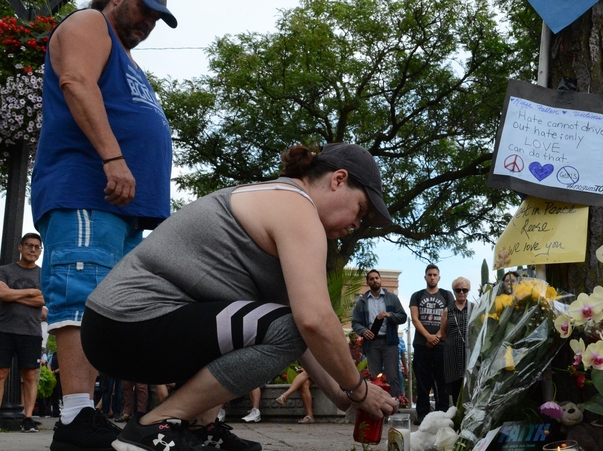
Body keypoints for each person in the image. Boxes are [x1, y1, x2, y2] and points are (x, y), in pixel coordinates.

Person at [81, 143, 398, 451]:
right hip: (129, 321)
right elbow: (312, 321)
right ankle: (154, 427)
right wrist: (358, 389)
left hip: (118, 328)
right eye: (361, 209)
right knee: (285, 325)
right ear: (338, 180)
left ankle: (198, 429)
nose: (358, 225)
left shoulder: (280, 199)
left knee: (275, 324)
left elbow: (300, 330)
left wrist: (339, 393)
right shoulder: (297, 207)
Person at [29, 0, 177, 448]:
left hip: (122, 206)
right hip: (87, 189)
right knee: (80, 293)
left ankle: (85, 417)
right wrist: (114, 158)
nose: (149, 23)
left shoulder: (125, 55)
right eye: (143, 10)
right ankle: (75, 418)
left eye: (157, 18)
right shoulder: (89, 22)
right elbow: (75, 81)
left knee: (105, 309)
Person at [0, 233, 45, 433]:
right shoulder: (4, 270)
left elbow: (43, 301)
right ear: (20, 247)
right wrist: (30, 292)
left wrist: (13, 295)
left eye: (37, 247)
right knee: (1, 374)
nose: (33, 250)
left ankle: (28, 418)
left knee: (30, 376)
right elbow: (1, 294)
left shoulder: (44, 275)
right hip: (4, 329)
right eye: (29, 245)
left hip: (31, 331)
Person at [351, 269, 408, 396]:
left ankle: (394, 406)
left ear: (380, 279)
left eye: (377, 278)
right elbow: (355, 323)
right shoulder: (362, 302)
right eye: (371, 279)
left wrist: (389, 314)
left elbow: (403, 317)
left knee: (393, 376)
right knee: (375, 378)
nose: (375, 280)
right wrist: (364, 331)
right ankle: (378, 410)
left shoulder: (392, 298)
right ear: (368, 282)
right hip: (372, 343)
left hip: (390, 341)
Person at [409, 264, 454, 425]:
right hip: (422, 346)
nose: (432, 277)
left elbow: (449, 317)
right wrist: (428, 337)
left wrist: (438, 336)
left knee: (442, 383)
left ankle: (443, 416)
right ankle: (422, 416)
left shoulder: (447, 295)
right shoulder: (417, 295)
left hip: (442, 346)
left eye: (435, 274)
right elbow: (415, 318)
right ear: (425, 277)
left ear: (439, 277)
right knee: (423, 383)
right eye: (429, 274)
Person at [439, 277, 474, 406]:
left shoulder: (474, 308)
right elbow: (443, 333)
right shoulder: (448, 310)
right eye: (458, 290)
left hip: (469, 354)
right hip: (452, 354)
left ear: (468, 291)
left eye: (464, 290)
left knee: (469, 387)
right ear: (454, 291)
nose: (461, 293)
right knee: (454, 388)